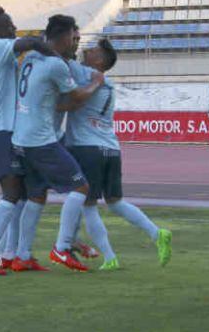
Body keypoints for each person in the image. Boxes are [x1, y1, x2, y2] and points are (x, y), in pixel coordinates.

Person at [60, 38, 173, 269]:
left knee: (88, 205)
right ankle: (156, 233)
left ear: (99, 60)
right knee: (115, 202)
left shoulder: (86, 74)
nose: (86, 51)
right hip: (111, 148)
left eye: (92, 50)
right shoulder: (109, 84)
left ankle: (110, 257)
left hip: (87, 148)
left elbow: (61, 58)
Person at [11, 14, 105, 273]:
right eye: (75, 38)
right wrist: (96, 83)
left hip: (21, 137)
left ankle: (22, 255)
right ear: (63, 37)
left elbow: (53, 101)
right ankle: (62, 249)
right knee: (81, 186)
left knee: (36, 195)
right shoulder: (56, 65)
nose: (76, 44)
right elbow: (76, 97)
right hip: (40, 141)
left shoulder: (30, 57)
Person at [0, 7, 59, 276]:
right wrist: (56, 56)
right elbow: (30, 42)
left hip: (7, 131)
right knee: (11, 193)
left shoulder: (2, 53)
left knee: (19, 194)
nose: (12, 27)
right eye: (8, 24)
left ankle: (10, 254)